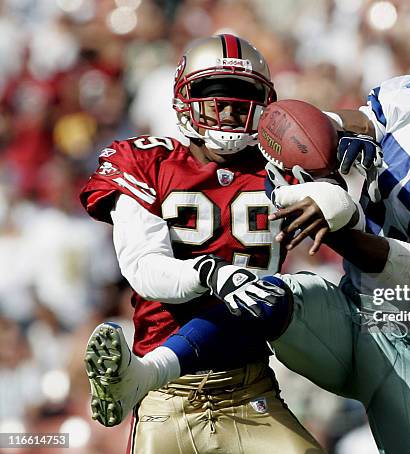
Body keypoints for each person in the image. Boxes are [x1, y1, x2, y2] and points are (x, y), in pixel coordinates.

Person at [89, 28, 410, 453]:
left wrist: (340, 225)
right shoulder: (408, 98)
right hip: (342, 311)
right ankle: (145, 374)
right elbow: (317, 128)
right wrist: (331, 138)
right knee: (260, 291)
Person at [80, 34, 324, 453]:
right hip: (166, 396)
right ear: (184, 99)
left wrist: (340, 198)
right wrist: (211, 272)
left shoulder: (287, 167)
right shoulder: (147, 162)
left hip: (253, 389)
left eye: (241, 99)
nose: (228, 111)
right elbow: (144, 269)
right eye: (214, 99)